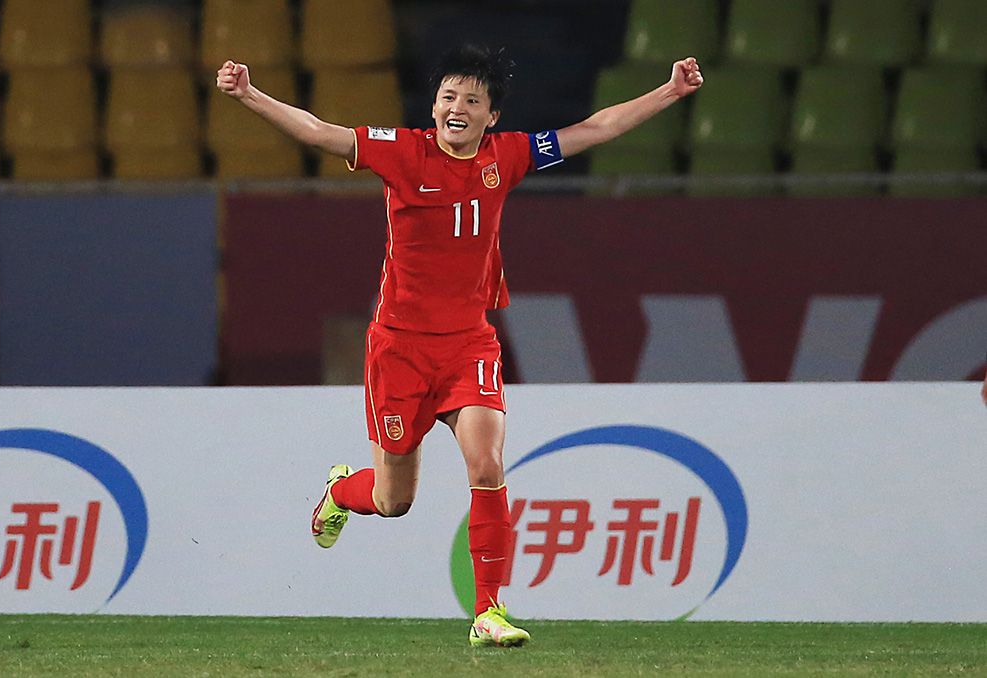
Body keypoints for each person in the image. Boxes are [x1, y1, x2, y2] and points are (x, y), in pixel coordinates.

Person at [216, 44, 703, 647]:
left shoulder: (510, 155)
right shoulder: (402, 150)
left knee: (487, 463)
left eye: (472, 100)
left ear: (490, 116)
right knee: (394, 501)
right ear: (435, 105)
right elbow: (320, 133)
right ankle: (342, 490)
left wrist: (671, 91)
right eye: (449, 96)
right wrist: (248, 95)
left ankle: (488, 611)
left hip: (470, 343)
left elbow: (594, 129)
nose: (457, 107)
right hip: (398, 348)